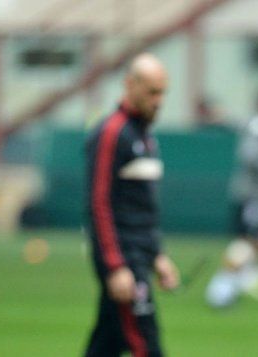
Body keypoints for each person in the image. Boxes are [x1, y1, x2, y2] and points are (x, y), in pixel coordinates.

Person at [84, 53, 180, 357]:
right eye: (152, 92)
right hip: (123, 259)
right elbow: (99, 203)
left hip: (139, 254)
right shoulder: (113, 132)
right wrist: (115, 266)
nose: (158, 100)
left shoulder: (145, 135)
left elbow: (142, 208)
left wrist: (157, 255)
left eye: (162, 92)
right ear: (130, 84)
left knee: (106, 343)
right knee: (145, 343)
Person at [206, 90, 258, 308]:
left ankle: (244, 277)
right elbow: (250, 155)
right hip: (253, 195)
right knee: (248, 240)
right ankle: (220, 289)